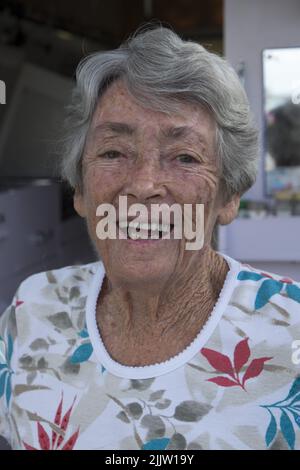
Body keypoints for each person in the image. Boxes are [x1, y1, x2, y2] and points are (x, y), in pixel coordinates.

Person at [0, 25, 300, 451]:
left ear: (229, 196)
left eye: (184, 157)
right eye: (113, 152)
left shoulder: (291, 332)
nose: (143, 185)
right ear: (81, 190)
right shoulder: (35, 308)